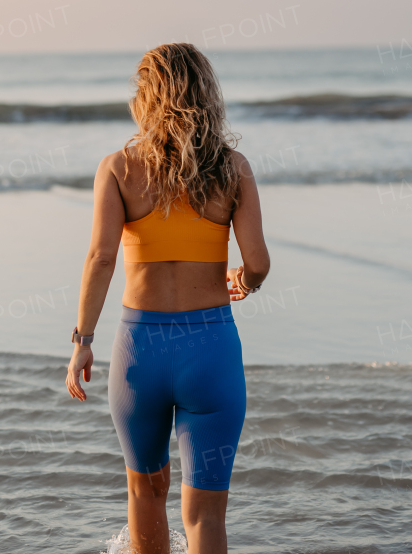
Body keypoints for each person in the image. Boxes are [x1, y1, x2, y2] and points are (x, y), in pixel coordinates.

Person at [65, 43, 271, 554]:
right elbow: (260, 262)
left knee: (146, 492)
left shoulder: (118, 168)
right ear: (206, 96)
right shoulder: (233, 168)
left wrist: (83, 341)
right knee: (205, 513)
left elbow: (101, 260)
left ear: (147, 98)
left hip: (141, 353)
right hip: (212, 349)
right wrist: (245, 282)